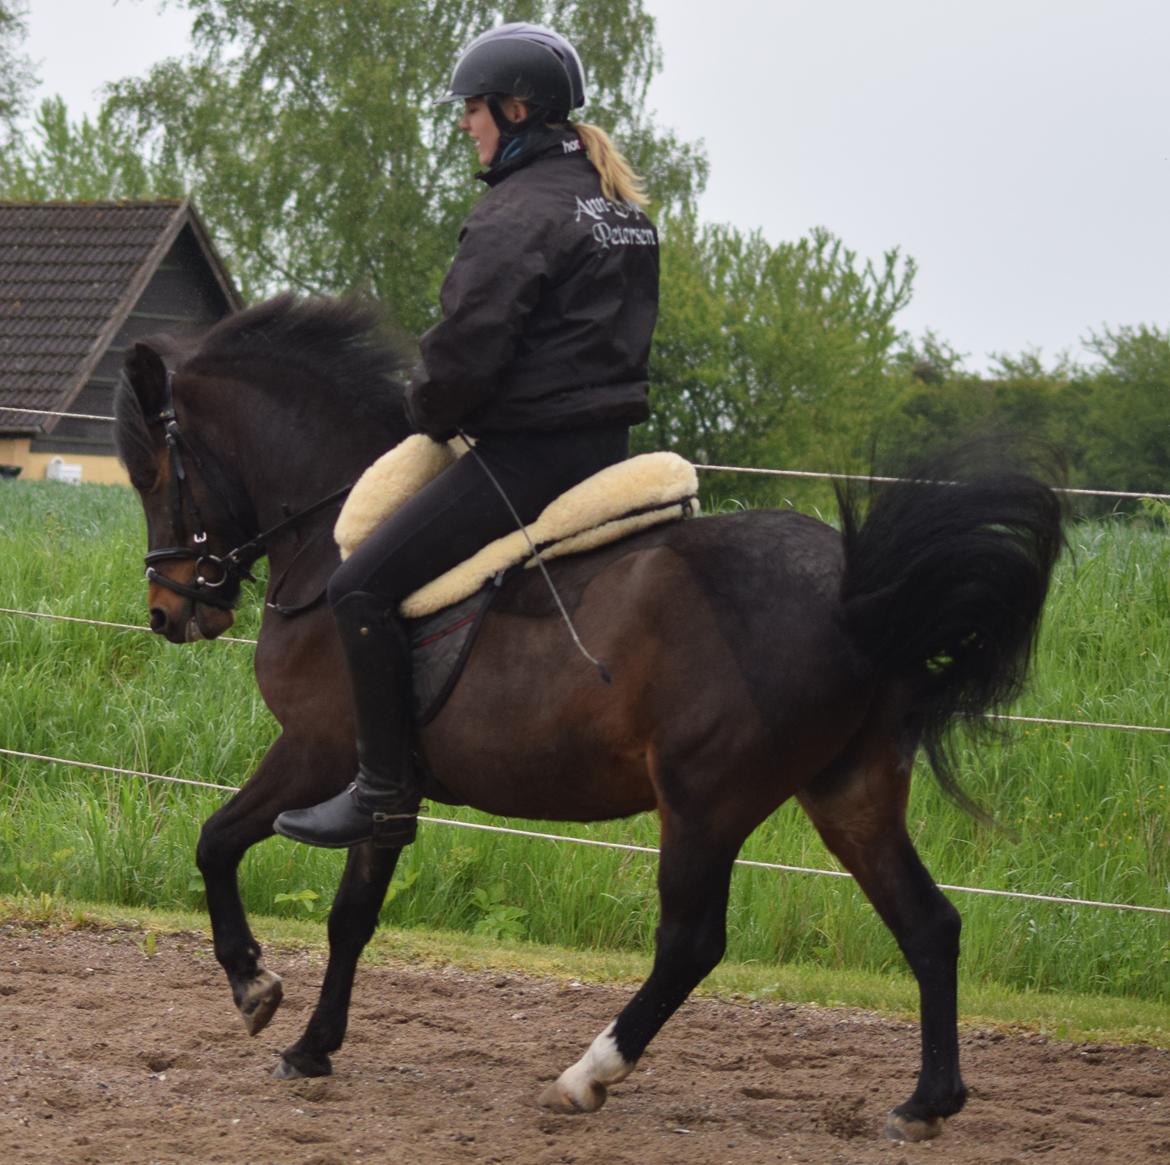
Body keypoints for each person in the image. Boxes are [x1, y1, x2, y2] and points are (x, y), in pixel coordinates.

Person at [273, 23, 660, 850]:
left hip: (526, 462)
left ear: (516, 110)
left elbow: (464, 352)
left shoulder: (516, 214)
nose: (464, 125)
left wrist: (428, 411)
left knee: (359, 586)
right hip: (604, 454)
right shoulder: (619, 208)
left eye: (473, 109)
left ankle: (381, 790)